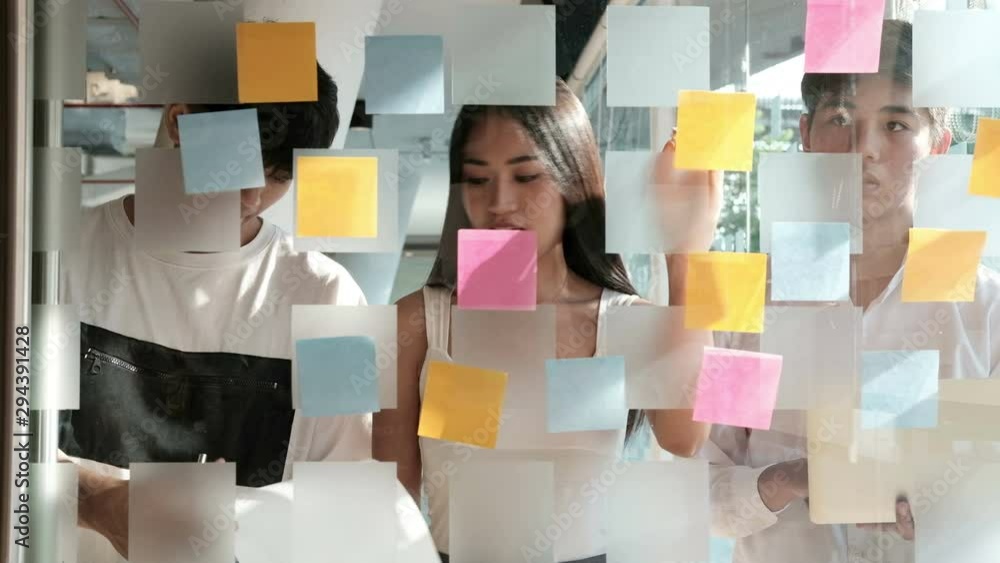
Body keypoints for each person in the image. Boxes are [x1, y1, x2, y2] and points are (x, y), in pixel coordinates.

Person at [373, 78, 721, 563]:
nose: (499, 203)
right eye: (477, 179)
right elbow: (389, 506)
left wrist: (685, 252)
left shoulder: (621, 322)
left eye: (526, 176)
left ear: (573, 183)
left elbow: (686, 439)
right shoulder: (421, 323)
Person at [701, 20, 1000, 563]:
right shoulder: (745, 305)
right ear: (806, 134)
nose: (864, 148)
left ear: (937, 145)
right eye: (841, 118)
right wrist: (790, 480)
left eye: (895, 124)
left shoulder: (988, 310)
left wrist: (953, 505)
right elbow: (703, 486)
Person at [58, 63, 373, 559]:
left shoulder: (333, 297)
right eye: (242, 163)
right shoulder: (57, 255)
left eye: (278, 176)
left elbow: (353, 495)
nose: (253, 197)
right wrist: (97, 503)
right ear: (180, 124)